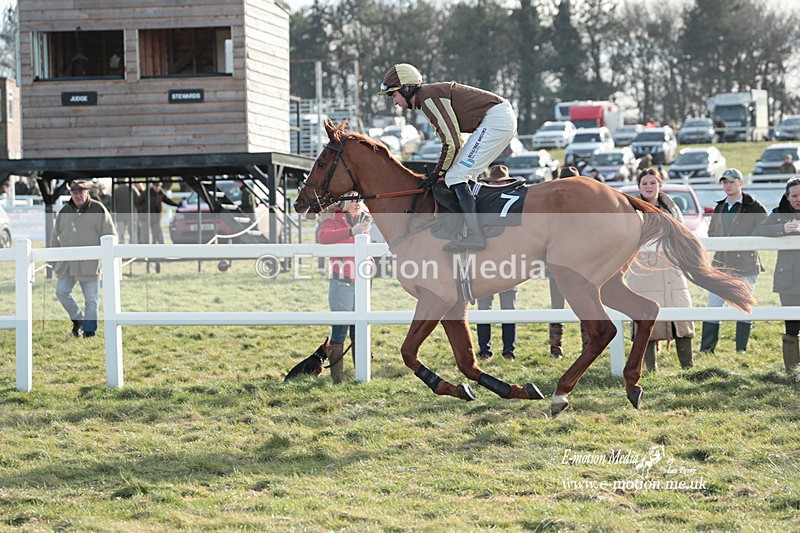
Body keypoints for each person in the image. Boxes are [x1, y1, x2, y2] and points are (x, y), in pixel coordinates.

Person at [378, 63, 517, 252]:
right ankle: (472, 229)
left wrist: (436, 174)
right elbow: (454, 142)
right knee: (460, 175)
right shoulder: (427, 98)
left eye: (394, 95)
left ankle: (475, 235)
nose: (394, 102)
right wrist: (440, 172)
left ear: (407, 88)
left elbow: (452, 143)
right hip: (498, 118)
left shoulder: (428, 99)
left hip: (496, 119)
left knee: (455, 177)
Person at [625, 168, 695, 371]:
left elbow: (682, 234)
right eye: (645, 183)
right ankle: (651, 369)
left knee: (681, 318)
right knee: (646, 319)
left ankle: (687, 368)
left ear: (660, 185)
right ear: (639, 187)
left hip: (672, 268)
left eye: (652, 183)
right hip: (643, 271)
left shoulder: (673, 209)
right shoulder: (632, 210)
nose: (649, 186)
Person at [700, 168, 768, 354]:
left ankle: (741, 350)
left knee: (743, 306)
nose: (728, 185)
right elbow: (712, 232)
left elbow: (765, 230)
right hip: (720, 264)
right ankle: (706, 350)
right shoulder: (720, 207)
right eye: (724, 182)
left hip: (746, 265)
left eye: (731, 181)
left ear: (741, 182)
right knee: (713, 306)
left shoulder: (755, 207)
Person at [317, 195, 373, 383]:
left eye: (359, 200)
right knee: (340, 331)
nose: (358, 203)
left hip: (362, 281)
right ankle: (337, 378)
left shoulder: (364, 218)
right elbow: (323, 238)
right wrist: (351, 231)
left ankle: (361, 374)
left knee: (360, 331)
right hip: (342, 281)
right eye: (354, 200)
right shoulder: (333, 219)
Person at [51, 180, 117, 338]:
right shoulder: (65, 211)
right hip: (67, 264)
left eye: (80, 193)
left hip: (89, 264)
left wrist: (105, 257)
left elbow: (111, 235)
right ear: (70, 194)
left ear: (87, 192)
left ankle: (89, 331)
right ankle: (78, 319)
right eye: (74, 193)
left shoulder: (98, 209)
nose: (77, 196)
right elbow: (55, 236)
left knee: (91, 300)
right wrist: (54, 259)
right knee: (61, 291)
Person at [754, 177, 800, 372]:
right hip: (788, 278)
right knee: (791, 326)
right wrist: (782, 229)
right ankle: (792, 370)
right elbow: (758, 230)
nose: (798, 198)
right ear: (787, 197)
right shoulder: (780, 213)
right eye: (794, 195)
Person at [475, 165, 518, 360]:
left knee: (508, 308)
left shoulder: (515, 204)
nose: (497, 185)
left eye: (500, 182)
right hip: (486, 263)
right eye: (494, 183)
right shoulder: (482, 204)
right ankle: (485, 350)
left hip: (508, 263)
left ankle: (509, 350)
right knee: (484, 307)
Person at [113, 179, 142, 244]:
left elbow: (113, 203)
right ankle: (133, 251)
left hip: (120, 216)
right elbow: (139, 200)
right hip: (132, 216)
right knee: (133, 235)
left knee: (121, 235)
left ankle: (121, 251)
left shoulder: (116, 190)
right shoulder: (132, 189)